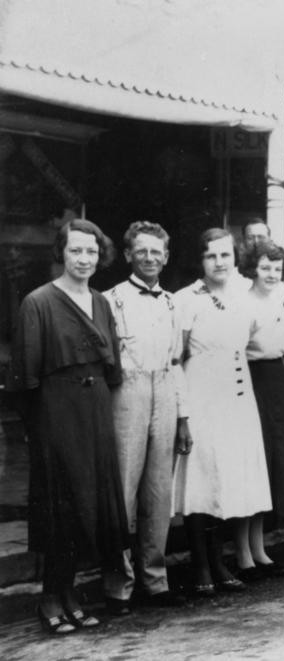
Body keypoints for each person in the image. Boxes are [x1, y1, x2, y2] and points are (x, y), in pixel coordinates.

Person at [10, 219, 130, 634]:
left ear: (101, 256)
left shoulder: (100, 301)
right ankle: (50, 598)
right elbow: (25, 378)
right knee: (61, 506)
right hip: (56, 414)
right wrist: (39, 429)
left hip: (94, 411)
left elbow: (112, 365)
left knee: (88, 508)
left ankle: (72, 593)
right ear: (61, 252)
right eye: (76, 250)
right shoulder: (38, 303)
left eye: (92, 252)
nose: (84, 259)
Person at [173, 228, 272, 596]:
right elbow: (175, 359)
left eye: (226, 255)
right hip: (201, 397)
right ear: (200, 260)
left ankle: (219, 560)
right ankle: (200, 563)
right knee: (200, 481)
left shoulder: (244, 296)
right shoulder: (186, 299)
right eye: (211, 256)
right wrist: (182, 414)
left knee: (226, 480)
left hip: (236, 398)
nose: (219, 262)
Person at [102, 221, 188, 615]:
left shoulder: (173, 303)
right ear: (128, 256)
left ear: (166, 257)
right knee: (122, 489)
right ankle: (119, 584)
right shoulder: (110, 300)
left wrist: (183, 416)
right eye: (142, 251)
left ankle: (155, 580)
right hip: (127, 394)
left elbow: (177, 362)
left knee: (158, 491)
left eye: (157, 252)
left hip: (166, 392)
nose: (150, 258)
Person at [241, 239, 284, 580]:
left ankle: (259, 545)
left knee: (273, 462)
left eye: (277, 269)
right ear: (253, 269)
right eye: (265, 268)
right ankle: (244, 550)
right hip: (253, 381)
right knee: (252, 462)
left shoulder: (278, 301)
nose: (271, 274)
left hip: (279, 381)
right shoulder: (243, 303)